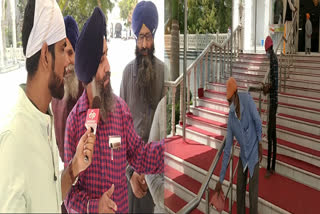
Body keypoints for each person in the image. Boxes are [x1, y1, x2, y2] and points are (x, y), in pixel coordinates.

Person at [63, 7, 164, 214]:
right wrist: (94, 206)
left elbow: (141, 156)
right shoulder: (74, 123)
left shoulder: (120, 111)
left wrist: (173, 150)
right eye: (101, 60)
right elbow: (67, 195)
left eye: (107, 55)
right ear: (88, 71)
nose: (109, 66)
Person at [0, 0, 96, 212]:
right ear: (45, 55)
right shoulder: (13, 138)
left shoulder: (45, 117)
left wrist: (73, 169)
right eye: (63, 49)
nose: (68, 62)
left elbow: (48, 198)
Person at [120, 1, 165, 213]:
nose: (145, 44)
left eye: (148, 36)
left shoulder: (166, 74)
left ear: (154, 36)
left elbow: (171, 127)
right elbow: (117, 131)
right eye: (141, 37)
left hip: (158, 175)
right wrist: (130, 174)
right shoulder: (127, 74)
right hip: (133, 177)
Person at [214, 77, 262, 214]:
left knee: (253, 195)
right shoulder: (231, 119)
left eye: (230, 100)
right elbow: (227, 149)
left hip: (254, 153)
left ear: (236, 93)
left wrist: (260, 143)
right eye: (227, 101)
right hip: (243, 156)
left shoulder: (247, 99)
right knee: (239, 190)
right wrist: (221, 179)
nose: (229, 103)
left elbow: (258, 121)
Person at [52, 15, 84, 162]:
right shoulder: (55, 87)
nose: (66, 62)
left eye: (70, 53)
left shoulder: (89, 88)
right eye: (62, 53)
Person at [263, 36, 279, 178]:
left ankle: (270, 167)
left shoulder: (273, 60)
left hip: (273, 102)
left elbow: (274, 83)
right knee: (272, 135)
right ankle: (271, 165)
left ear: (269, 48)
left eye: (266, 50)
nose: (266, 53)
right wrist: (268, 87)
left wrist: (268, 88)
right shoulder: (273, 59)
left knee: (270, 134)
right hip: (273, 101)